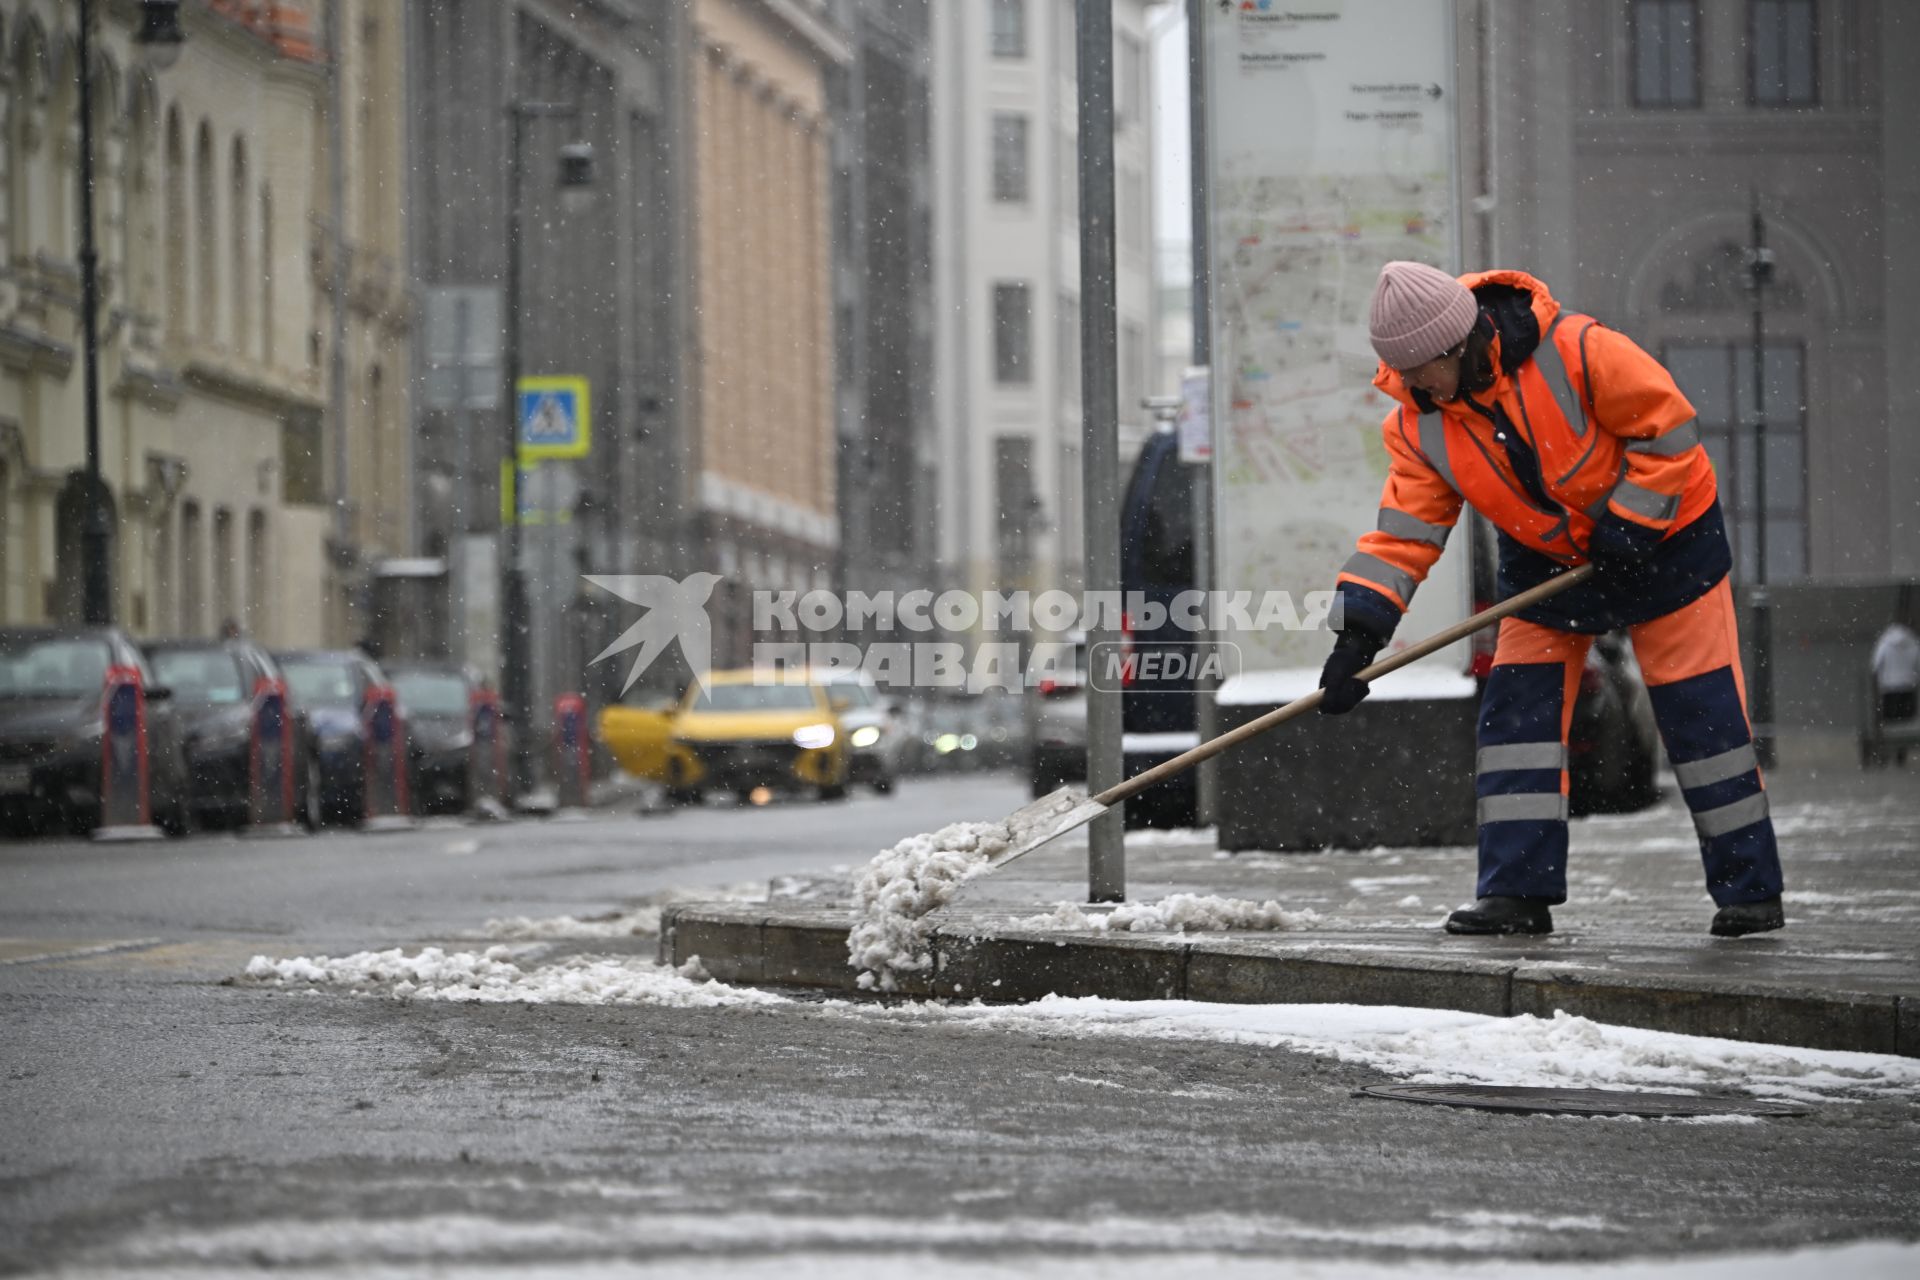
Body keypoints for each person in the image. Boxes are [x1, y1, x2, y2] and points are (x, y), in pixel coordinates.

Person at [1318, 261, 1785, 938]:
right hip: (1547, 564)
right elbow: (1404, 534)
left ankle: (1751, 891)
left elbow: (1671, 432)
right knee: (1517, 721)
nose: (1411, 386)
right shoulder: (1419, 423)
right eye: (1402, 373)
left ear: (1460, 345)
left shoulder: (1580, 349)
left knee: (1701, 716)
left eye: (1421, 371)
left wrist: (1633, 517)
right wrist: (1357, 633)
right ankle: (1514, 895)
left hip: (1668, 547)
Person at [1870, 618, 1918, 764]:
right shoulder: (1913, 642)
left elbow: (1875, 665)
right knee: (1905, 722)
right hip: (1908, 687)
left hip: (1889, 688)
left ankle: (1886, 751)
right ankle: (1901, 753)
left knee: (1889, 722)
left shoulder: (1885, 643)